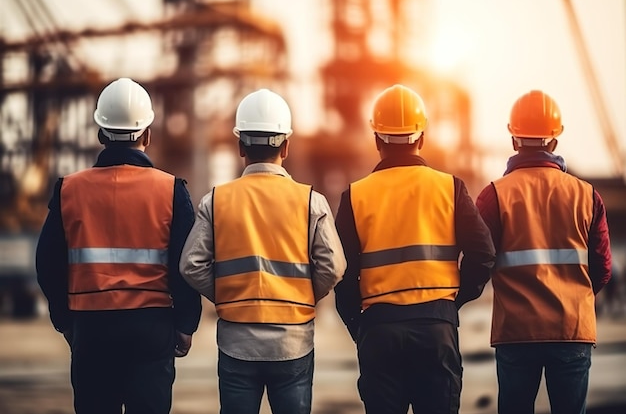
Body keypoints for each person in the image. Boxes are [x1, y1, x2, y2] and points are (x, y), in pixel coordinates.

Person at [36, 77, 202, 414]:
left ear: (100, 134)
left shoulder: (69, 189)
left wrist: (65, 322)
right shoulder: (170, 190)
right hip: (151, 327)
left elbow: (48, 264)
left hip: (91, 328)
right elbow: (186, 264)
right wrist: (186, 324)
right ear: (147, 134)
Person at [179, 88, 346, 414]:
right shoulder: (311, 201)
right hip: (293, 342)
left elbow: (191, 265)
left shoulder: (216, 201)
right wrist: (305, 295)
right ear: (286, 145)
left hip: (237, 342)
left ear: (240, 146)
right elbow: (334, 266)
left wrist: (227, 294)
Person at [334, 84, 496, 414]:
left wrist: (359, 325)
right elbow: (483, 253)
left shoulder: (355, 196)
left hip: (379, 330)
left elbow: (341, 272)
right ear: (422, 137)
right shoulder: (449, 188)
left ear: (377, 139)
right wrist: (452, 303)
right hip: (436, 328)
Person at [475, 90, 613, 414]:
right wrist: (574, 298)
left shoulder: (494, 196)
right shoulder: (587, 195)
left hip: (516, 333)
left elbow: (480, 261)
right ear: (554, 142)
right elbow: (603, 268)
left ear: (513, 140)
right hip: (571, 329)